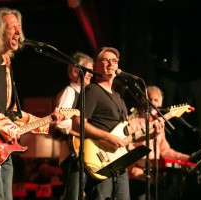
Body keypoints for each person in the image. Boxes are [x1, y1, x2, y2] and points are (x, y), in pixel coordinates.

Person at [0, 7, 67, 200]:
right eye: (13, 27)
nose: (19, 33)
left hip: (3, 143)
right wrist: (5, 126)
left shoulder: (6, 64)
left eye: (19, 27)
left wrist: (47, 121)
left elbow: (11, 113)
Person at [71, 47, 165, 200]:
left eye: (114, 60)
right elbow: (77, 124)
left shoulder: (119, 98)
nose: (111, 63)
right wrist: (107, 137)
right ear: (95, 66)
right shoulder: (92, 91)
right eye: (106, 60)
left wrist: (152, 134)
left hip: (119, 163)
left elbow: (126, 136)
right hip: (99, 160)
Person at [127, 85, 190, 200]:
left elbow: (165, 151)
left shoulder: (158, 123)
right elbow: (127, 148)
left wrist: (187, 158)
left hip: (155, 174)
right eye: (149, 99)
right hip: (136, 176)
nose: (152, 103)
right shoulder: (133, 121)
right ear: (143, 100)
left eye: (156, 100)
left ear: (160, 104)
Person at [55, 52, 94, 200]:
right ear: (75, 71)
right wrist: (83, 133)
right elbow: (61, 122)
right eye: (88, 71)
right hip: (73, 155)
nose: (91, 75)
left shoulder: (86, 94)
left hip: (83, 154)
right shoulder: (70, 91)